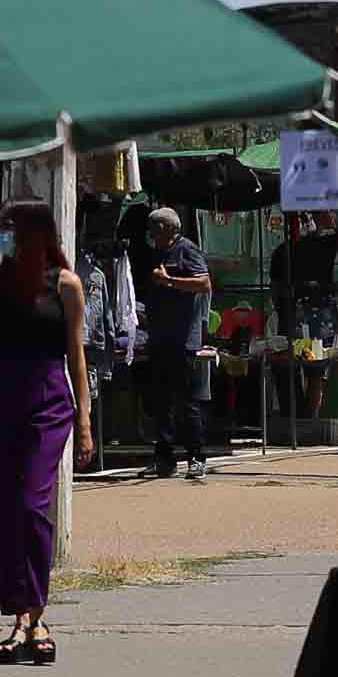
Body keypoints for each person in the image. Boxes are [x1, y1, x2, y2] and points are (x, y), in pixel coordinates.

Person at [0, 199, 92, 665]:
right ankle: (23, 619)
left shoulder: (66, 285)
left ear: (36, 233)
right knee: (3, 508)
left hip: (49, 401)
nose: (1, 236)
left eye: (10, 228)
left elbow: (77, 359)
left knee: (33, 504)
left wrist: (87, 423)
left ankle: (35, 612)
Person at [130, 206, 215, 481]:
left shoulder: (187, 249)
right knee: (161, 401)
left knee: (186, 401)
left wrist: (170, 282)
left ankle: (196, 457)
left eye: (155, 229)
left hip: (182, 340)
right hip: (160, 337)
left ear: (168, 228)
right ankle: (164, 459)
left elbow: (204, 283)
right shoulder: (158, 252)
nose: (151, 235)